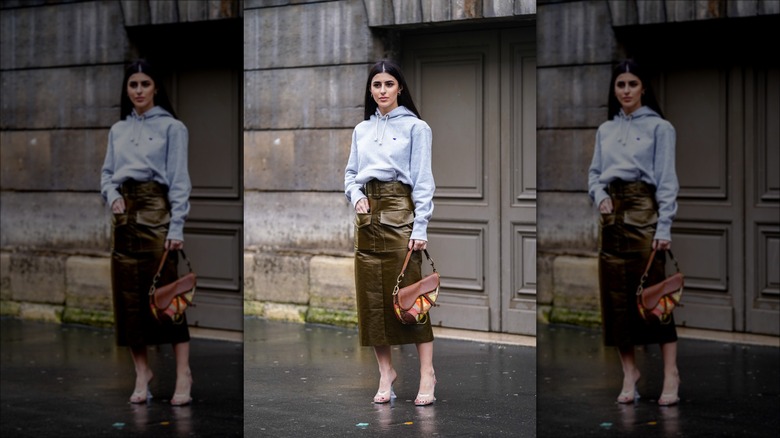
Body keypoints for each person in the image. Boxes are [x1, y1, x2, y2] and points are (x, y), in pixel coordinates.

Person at [588, 59, 681, 406]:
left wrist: (664, 225)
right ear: (614, 90)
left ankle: (671, 374)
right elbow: (595, 173)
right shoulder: (606, 130)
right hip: (612, 216)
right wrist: (600, 198)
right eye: (620, 84)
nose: (626, 90)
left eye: (632, 83)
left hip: (645, 212)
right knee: (615, 300)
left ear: (643, 88)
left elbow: (668, 181)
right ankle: (630, 373)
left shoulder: (661, 128)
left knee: (655, 299)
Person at [344, 59, 437, 406]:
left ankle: (428, 373)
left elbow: (423, 181)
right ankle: (386, 373)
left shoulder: (417, 128)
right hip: (368, 217)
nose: (382, 91)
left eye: (388, 84)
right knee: (371, 300)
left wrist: (421, 225)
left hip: (401, 213)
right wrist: (356, 198)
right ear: (370, 90)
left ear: (399, 88)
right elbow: (351, 174)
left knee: (410, 299)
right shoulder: (361, 130)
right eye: (376, 85)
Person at [100, 59, 193, 406]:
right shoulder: (117, 130)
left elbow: (180, 181)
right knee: (128, 300)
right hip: (124, 216)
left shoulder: (173, 128)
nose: (138, 90)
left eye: (145, 84)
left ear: (155, 88)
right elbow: (107, 174)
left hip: (157, 212)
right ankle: (142, 373)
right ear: (127, 90)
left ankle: (184, 374)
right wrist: (112, 198)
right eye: (133, 84)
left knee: (168, 299)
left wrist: (177, 225)